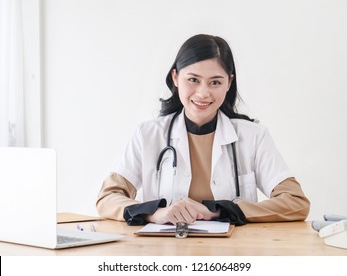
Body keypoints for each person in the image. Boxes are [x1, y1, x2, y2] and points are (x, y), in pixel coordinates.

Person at [96, 34, 310, 226]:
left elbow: (296, 202)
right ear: (175, 78)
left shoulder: (253, 136)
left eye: (215, 82)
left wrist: (218, 211)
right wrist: (155, 214)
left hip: (235, 254)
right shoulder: (148, 135)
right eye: (193, 80)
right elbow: (107, 198)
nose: (203, 93)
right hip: (164, 253)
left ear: (229, 83)